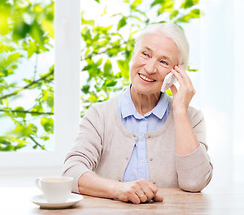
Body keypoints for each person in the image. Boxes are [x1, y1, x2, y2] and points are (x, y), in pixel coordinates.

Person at [62, 22, 213, 204]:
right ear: (134, 54)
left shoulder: (192, 118)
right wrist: (119, 190)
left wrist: (180, 111)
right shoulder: (99, 115)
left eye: (163, 62)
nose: (150, 68)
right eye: (145, 54)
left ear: (177, 72)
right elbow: (71, 172)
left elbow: (195, 182)